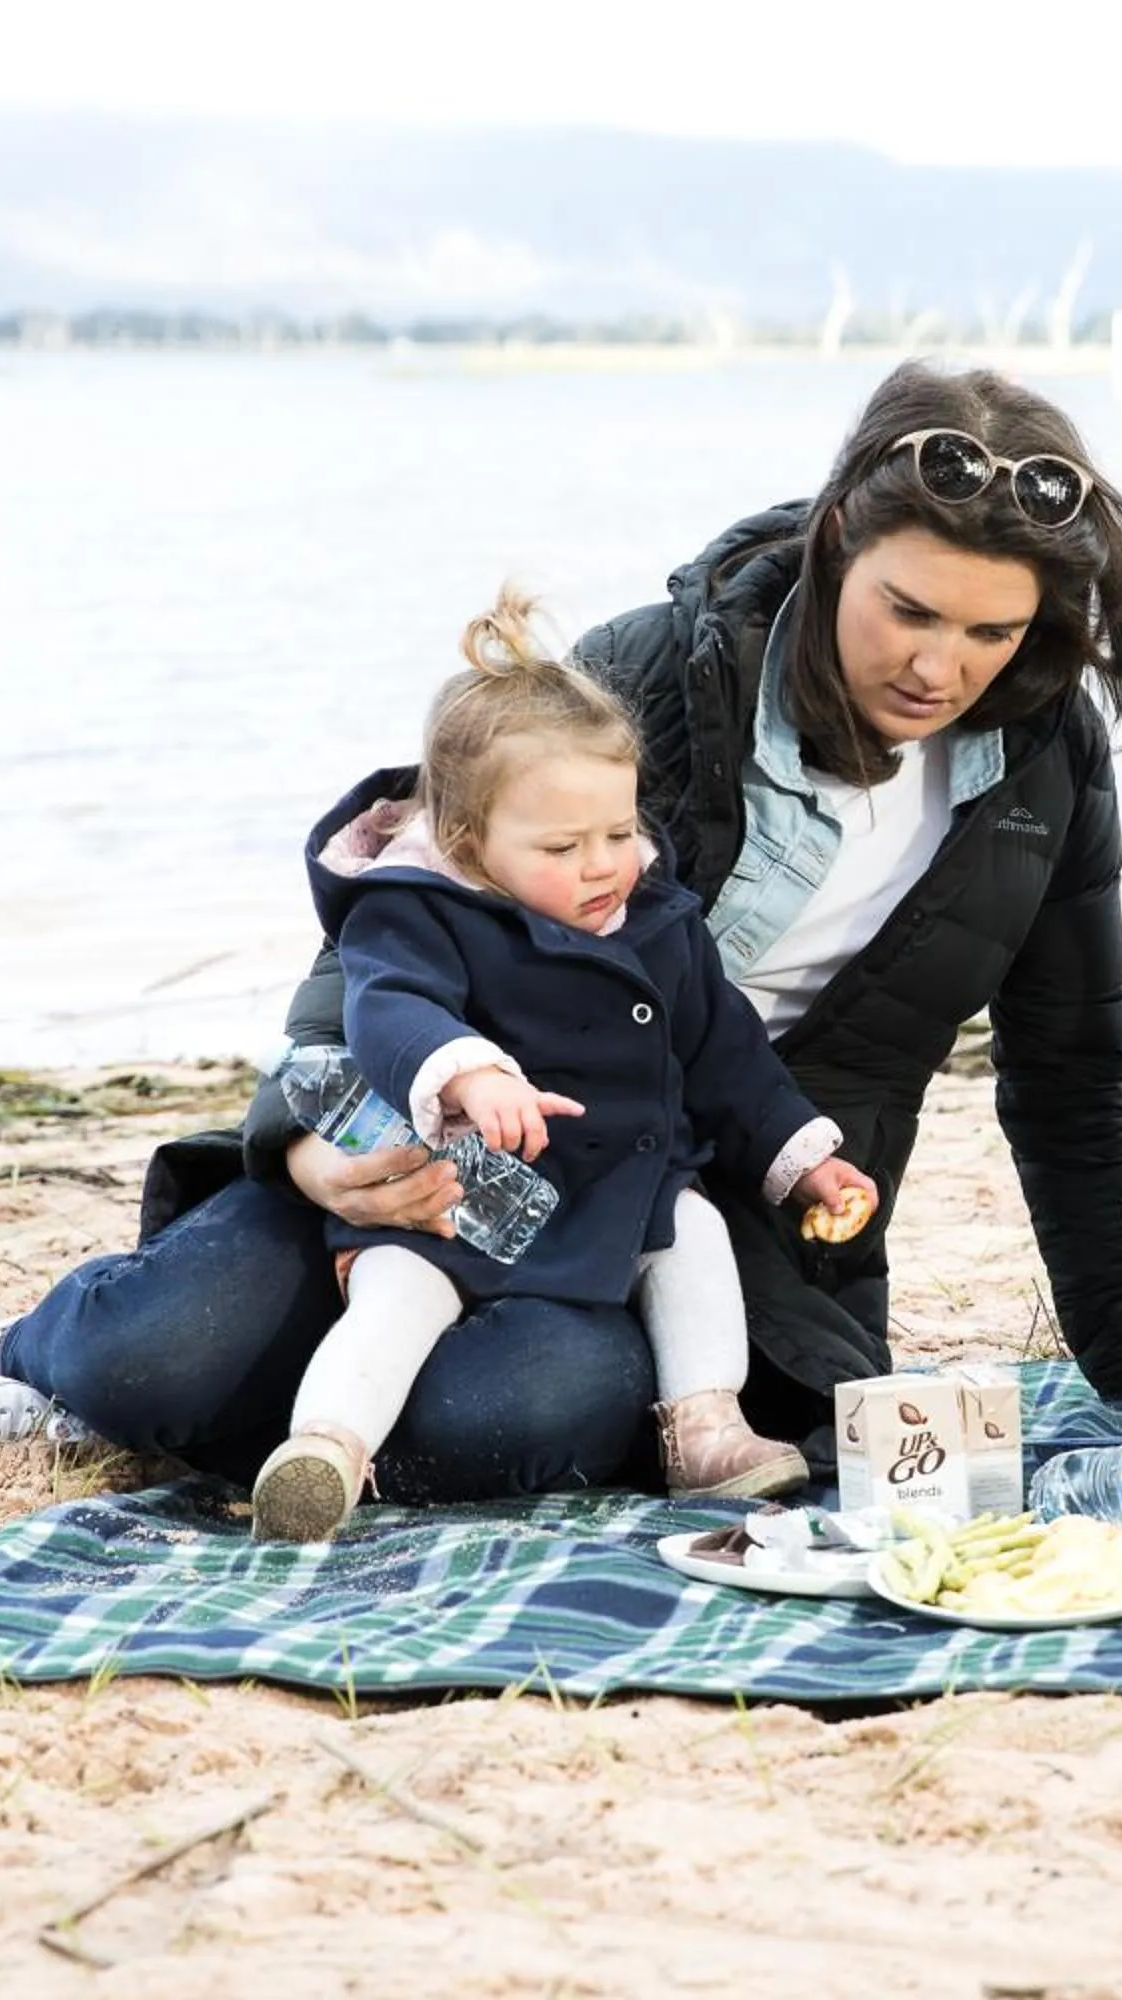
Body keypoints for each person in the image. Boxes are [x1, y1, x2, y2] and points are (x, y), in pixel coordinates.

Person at [0, 361, 1122, 1505]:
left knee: (518, 1424)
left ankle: (258, 1433)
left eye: (992, 635)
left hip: (714, 1227)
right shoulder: (650, 676)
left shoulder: (1043, 769)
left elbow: (1072, 1079)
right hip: (455, 1152)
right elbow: (373, 959)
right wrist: (314, 1144)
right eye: (909, 610)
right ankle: (29, 1360)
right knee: (165, 1346)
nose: (938, 666)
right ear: (839, 538)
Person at [251, 588, 880, 1539]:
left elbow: (728, 1057)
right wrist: (469, 1072)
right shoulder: (413, 913)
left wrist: (801, 1159)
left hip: (622, 1186)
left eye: (620, 834)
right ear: (469, 842)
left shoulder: (661, 925)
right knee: (393, 1298)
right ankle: (325, 1452)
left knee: (694, 1239)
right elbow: (387, 1008)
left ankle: (706, 1427)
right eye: (561, 846)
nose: (603, 867)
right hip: (455, 1190)